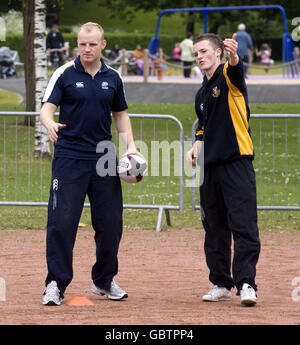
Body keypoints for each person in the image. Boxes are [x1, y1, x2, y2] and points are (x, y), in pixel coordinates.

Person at [40, 22, 142, 305]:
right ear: (77, 45)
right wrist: (50, 124)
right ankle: (55, 284)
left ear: (103, 45)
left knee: (111, 225)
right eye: (82, 44)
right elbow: (46, 109)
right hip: (69, 158)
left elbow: (120, 114)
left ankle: (104, 280)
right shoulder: (64, 73)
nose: (86, 49)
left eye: (92, 44)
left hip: (104, 159)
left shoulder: (113, 77)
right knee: (62, 223)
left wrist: (130, 145)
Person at [187, 33, 260, 306]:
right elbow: (204, 124)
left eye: (204, 51)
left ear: (218, 53)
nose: (199, 56)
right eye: (196, 53)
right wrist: (196, 143)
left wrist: (233, 57)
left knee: (243, 226)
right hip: (210, 167)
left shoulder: (229, 78)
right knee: (214, 228)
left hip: (236, 162)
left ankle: (247, 284)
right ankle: (221, 282)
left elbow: (236, 71)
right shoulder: (201, 92)